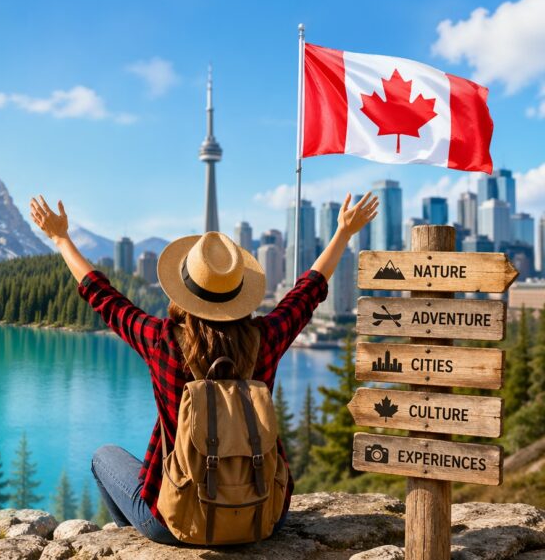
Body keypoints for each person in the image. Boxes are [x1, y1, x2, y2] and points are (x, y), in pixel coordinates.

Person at [29, 192, 378, 545]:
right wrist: (343, 234)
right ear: (240, 293)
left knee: (103, 457)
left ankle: (141, 546)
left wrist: (60, 238)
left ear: (184, 292)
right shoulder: (265, 338)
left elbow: (102, 296)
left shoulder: (162, 340)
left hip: (175, 522)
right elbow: (308, 291)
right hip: (263, 515)